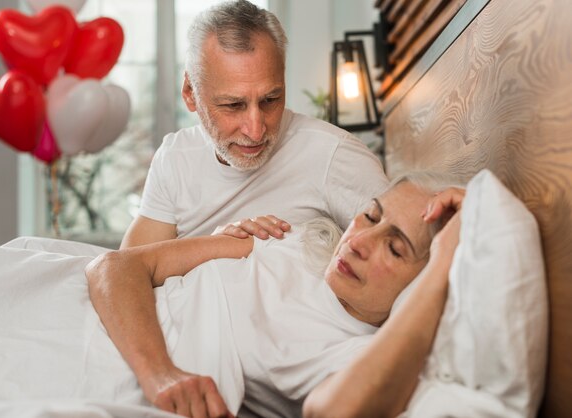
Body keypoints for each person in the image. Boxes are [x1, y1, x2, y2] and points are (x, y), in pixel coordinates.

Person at [86, 172, 465, 417]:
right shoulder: (292, 241)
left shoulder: (357, 357)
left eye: (395, 249)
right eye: (369, 215)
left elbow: (336, 412)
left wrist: (447, 261)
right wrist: (159, 374)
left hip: (101, 372)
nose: (360, 242)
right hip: (102, 315)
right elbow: (115, 267)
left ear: (424, 281)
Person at [120, 0, 388, 248]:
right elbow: (128, 269)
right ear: (191, 93)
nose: (256, 130)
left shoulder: (334, 155)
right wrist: (215, 248)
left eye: (271, 99)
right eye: (233, 105)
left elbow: (404, 260)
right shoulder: (175, 158)